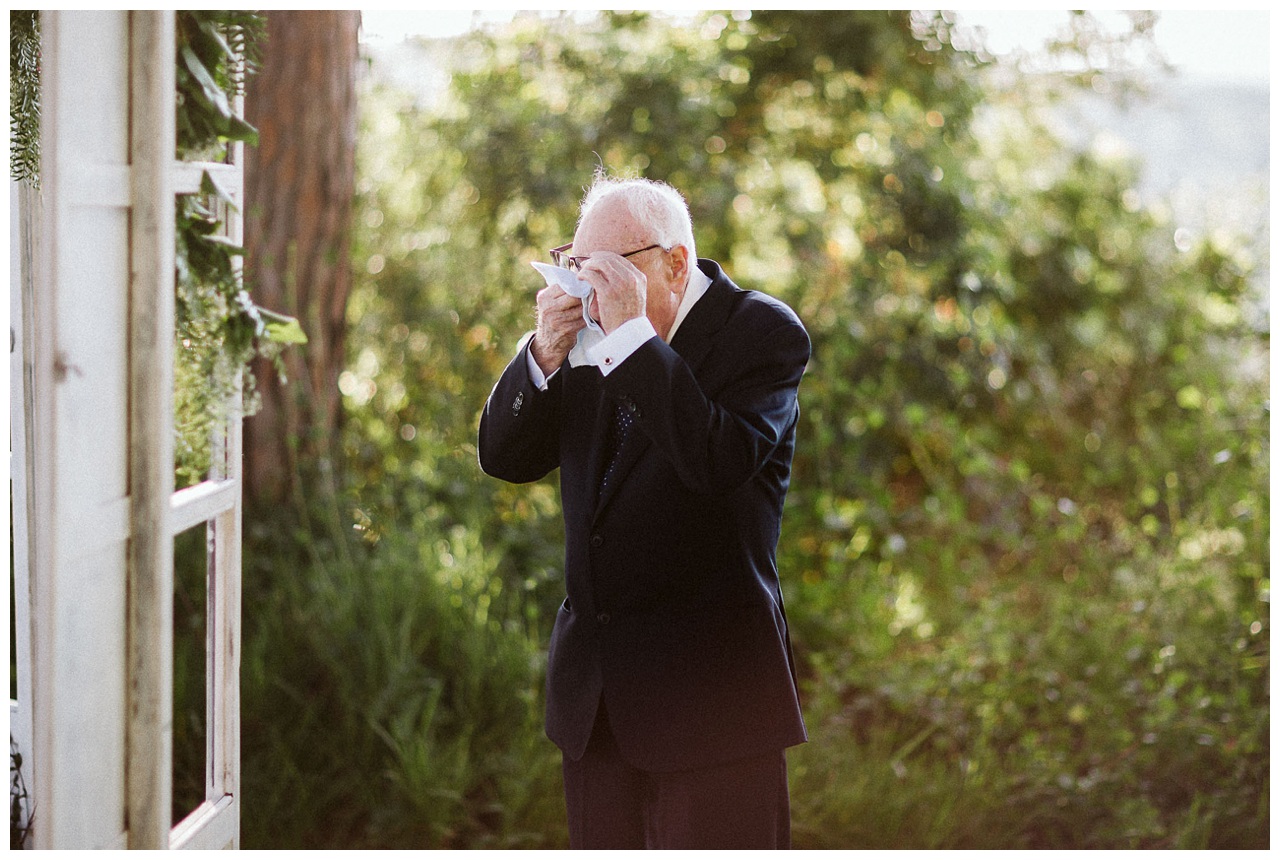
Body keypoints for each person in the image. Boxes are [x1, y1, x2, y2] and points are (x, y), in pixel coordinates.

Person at [478, 174, 810, 849]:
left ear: (674, 263)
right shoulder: (585, 333)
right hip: (595, 702)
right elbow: (505, 459)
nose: (585, 288)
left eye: (605, 270)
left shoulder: (761, 333)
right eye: (576, 266)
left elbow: (716, 461)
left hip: (714, 700)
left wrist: (631, 338)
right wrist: (544, 351)